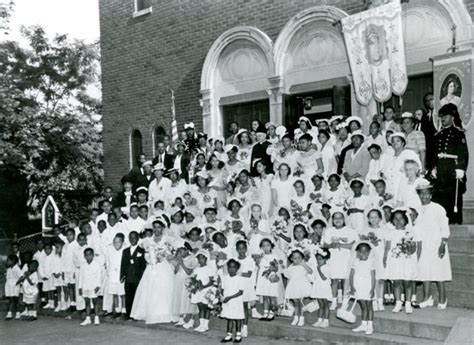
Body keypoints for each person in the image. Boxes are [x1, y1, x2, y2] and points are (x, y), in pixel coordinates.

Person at [131, 218, 176, 324]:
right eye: (154, 227)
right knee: (151, 289)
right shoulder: (147, 241)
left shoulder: (168, 240)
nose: (156, 229)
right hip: (152, 267)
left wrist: (165, 256)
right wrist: (152, 259)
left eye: (159, 227)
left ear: (163, 228)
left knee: (164, 290)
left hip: (164, 267)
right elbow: (144, 254)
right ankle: (151, 313)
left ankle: (164, 314)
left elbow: (173, 253)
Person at [415, 180, 451, 309]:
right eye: (421, 194)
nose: (424, 196)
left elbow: (444, 228)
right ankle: (427, 297)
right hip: (423, 245)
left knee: (439, 271)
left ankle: (442, 298)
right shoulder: (416, 210)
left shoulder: (438, 209)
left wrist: (442, 244)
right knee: (424, 271)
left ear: (431, 195)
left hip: (436, 244)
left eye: (426, 194)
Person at [431, 103, 468, 224]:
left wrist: (460, 168)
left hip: (453, 169)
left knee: (454, 198)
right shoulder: (438, 135)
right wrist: (433, 168)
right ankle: (442, 224)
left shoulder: (458, 133)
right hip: (441, 170)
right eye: (442, 117)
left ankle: (455, 223)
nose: (443, 119)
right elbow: (434, 153)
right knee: (440, 198)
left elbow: (463, 152)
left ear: (452, 118)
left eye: (446, 116)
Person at [383, 209, 419, 314]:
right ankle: (398, 302)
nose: (398, 221)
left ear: (405, 220)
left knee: (407, 282)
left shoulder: (409, 233)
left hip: (406, 261)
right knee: (396, 282)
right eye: (396, 219)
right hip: (394, 260)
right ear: (392, 221)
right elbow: (387, 247)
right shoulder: (390, 233)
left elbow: (414, 248)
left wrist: (409, 250)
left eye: (401, 219)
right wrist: (385, 258)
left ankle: (408, 303)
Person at [322, 211, 357, 310]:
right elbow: (325, 244)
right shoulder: (329, 231)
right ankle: (334, 300)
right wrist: (331, 245)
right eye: (335, 218)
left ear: (344, 219)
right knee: (334, 280)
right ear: (332, 220)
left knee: (346, 280)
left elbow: (353, 245)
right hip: (334, 258)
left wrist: (341, 245)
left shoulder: (349, 231)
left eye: (340, 218)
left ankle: (345, 302)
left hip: (345, 258)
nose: (338, 220)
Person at [349, 242, 376, 335]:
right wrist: (352, 287)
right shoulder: (355, 261)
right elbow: (351, 275)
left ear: (369, 252)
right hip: (358, 286)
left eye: (365, 252)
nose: (363, 254)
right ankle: (363, 324)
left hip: (368, 286)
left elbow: (373, 276)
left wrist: (372, 289)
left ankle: (370, 325)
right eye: (360, 252)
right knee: (363, 306)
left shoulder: (371, 261)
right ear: (357, 252)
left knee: (369, 306)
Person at [120, 231, 146, 320]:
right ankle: (128, 314)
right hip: (128, 278)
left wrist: (142, 277)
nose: (133, 239)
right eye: (131, 238)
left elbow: (143, 266)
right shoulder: (125, 251)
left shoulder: (141, 251)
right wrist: (122, 275)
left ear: (138, 238)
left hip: (137, 277)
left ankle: (135, 314)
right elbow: (123, 264)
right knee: (128, 296)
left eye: (134, 237)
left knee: (137, 296)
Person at [284, 249, 313, 327]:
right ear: (291, 259)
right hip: (293, 286)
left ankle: (301, 317)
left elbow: (310, 271)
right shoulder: (290, 267)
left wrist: (304, 265)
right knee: (296, 302)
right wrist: (288, 288)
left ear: (302, 258)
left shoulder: (304, 265)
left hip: (301, 285)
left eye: (299, 257)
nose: (297, 260)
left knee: (300, 302)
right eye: (295, 258)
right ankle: (296, 317)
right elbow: (289, 277)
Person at [255, 238, 281, 321]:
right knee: (265, 295)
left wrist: (271, 268)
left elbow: (276, 268)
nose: (266, 247)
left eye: (268, 245)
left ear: (271, 246)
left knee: (271, 295)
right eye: (263, 246)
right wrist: (259, 259)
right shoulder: (261, 256)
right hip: (263, 277)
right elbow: (258, 265)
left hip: (271, 276)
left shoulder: (274, 256)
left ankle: (272, 313)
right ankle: (265, 312)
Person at [235, 240, 258, 335]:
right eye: (239, 248)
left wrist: (237, 273)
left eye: (243, 248)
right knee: (237, 306)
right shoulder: (234, 260)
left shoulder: (250, 260)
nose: (241, 250)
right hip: (236, 285)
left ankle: (245, 327)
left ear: (246, 249)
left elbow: (248, 274)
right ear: (236, 249)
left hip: (245, 285)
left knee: (244, 306)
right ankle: (238, 327)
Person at [220, 259, 245, 343]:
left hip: (236, 301)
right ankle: (229, 335)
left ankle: (238, 335)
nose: (231, 269)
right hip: (227, 302)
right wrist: (222, 297)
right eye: (230, 267)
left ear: (237, 268)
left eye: (234, 267)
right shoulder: (225, 278)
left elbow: (240, 292)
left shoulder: (240, 279)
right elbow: (223, 289)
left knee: (238, 318)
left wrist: (230, 297)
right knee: (229, 318)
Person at [190, 250, 215, 333]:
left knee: (206, 308)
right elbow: (194, 279)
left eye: (202, 258)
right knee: (200, 308)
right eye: (199, 258)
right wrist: (194, 287)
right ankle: (201, 325)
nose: (201, 260)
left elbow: (211, 281)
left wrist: (204, 286)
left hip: (206, 290)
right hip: (198, 290)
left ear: (206, 259)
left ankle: (206, 325)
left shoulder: (209, 269)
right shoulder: (196, 269)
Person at [79, 247, 102, 326]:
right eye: (86, 255)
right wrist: (80, 287)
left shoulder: (97, 264)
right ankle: (88, 318)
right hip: (85, 286)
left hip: (93, 286)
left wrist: (98, 286)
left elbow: (99, 276)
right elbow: (81, 276)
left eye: (90, 255)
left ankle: (96, 317)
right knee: (87, 302)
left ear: (93, 255)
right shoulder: (83, 265)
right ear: (84, 256)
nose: (88, 257)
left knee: (95, 302)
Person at [311, 247, 332, 329]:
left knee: (325, 304)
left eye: (320, 259)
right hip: (318, 287)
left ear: (325, 259)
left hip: (324, 287)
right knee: (320, 304)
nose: (318, 261)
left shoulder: (327, 267)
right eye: (317, 259)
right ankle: (319, 320)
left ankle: (326, 320)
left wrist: (319, 269)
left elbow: (324, 278)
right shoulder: (317, 267)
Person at [5, 254, 22, 320]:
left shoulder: (16, 268)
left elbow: (21, 276)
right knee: (11, 300)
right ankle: (9, 313)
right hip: (9, 286)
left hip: (14, 286)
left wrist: (16, 283)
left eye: (8, 261)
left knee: (16, 300)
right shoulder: (9, 269)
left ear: (13, 261)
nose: (7, 262)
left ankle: (18, 313)